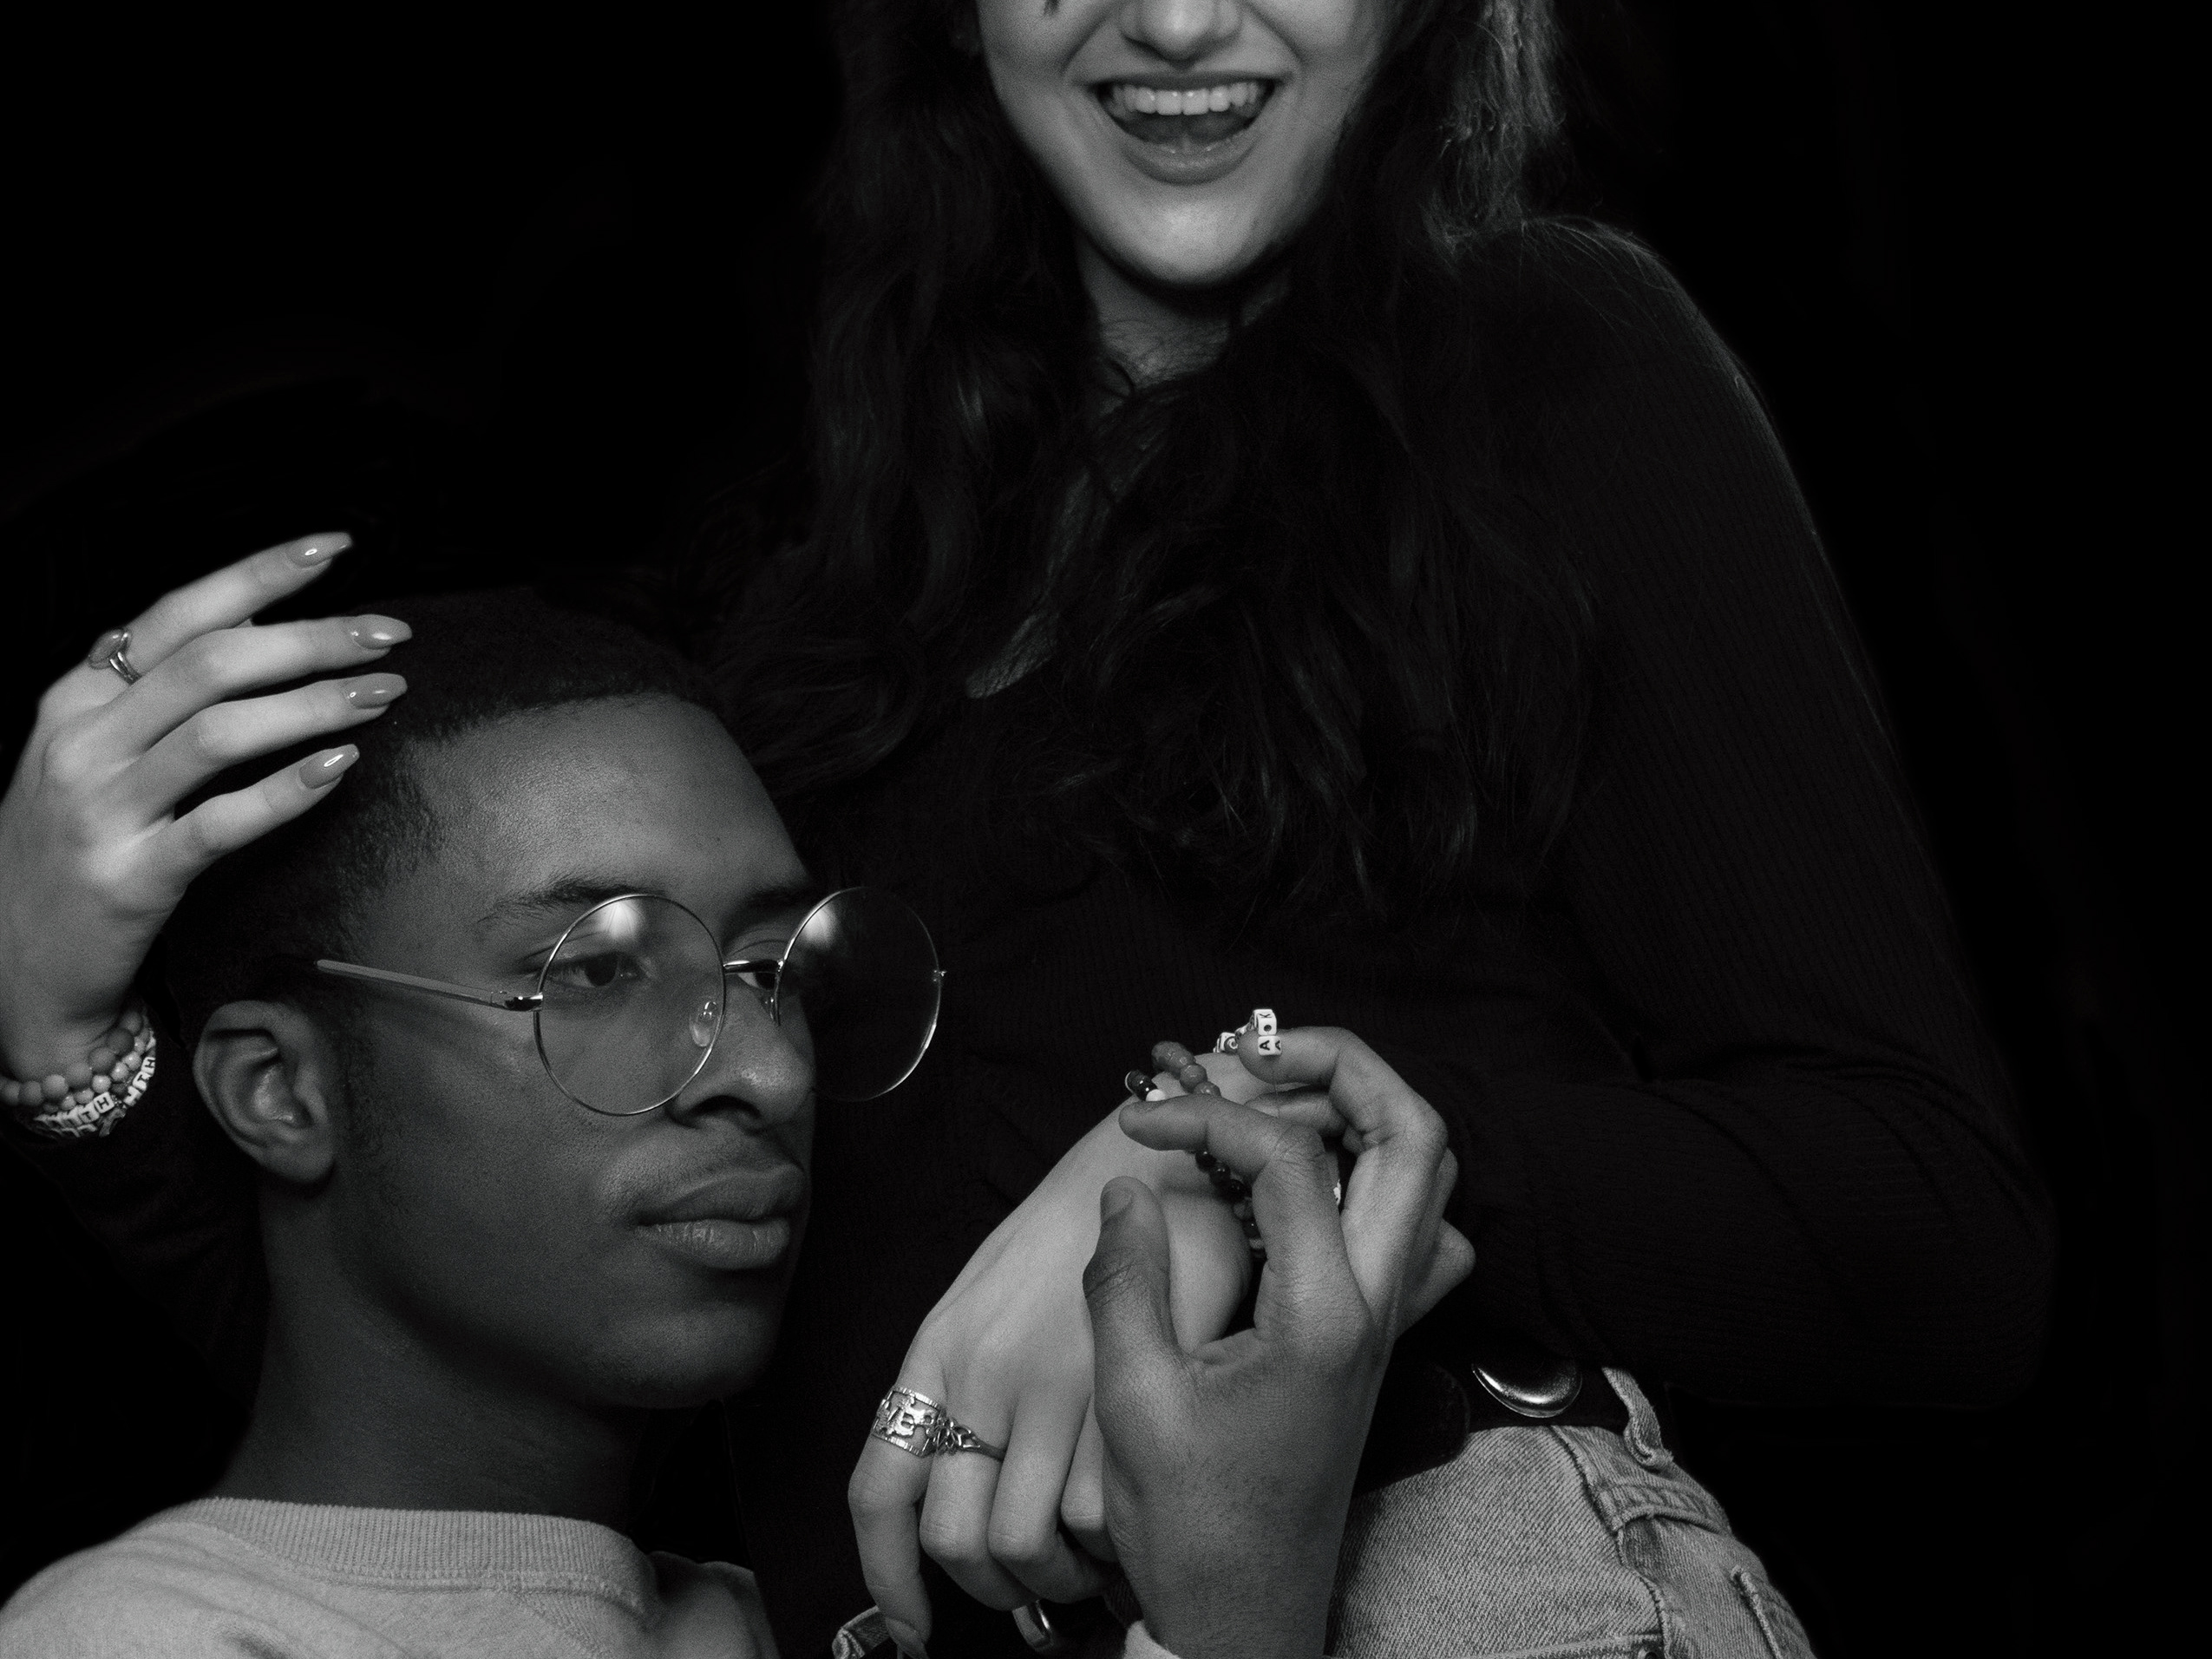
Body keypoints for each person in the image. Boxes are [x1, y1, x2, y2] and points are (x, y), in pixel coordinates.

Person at [2, 0, 2053, 1652]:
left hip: (1454, 1585)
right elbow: (491, 1299)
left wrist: (1235, 1153)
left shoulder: (1549, 369)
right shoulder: (828, 546)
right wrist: (60, 1022)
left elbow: (1937, 1229)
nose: (1178, 21)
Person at [0, 589, 1467, 1659]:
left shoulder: (810, 1606)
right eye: (595, 972)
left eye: (773, 971)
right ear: (280, 1091)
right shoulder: (145, 1639)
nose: (766, 1074)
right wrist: (1233, 1613)